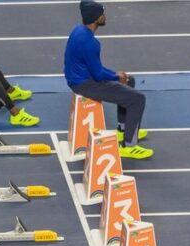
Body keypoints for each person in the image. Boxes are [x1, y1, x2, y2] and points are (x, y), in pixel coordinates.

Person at [65, 1, 152, 158]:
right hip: (84, 84)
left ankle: (124, 130)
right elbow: (98, 75)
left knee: (129, 81)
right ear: (97, 19)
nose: (105, 16)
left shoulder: (79, 30)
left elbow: (95, 68)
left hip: (81, 78)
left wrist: (117, 75)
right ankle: (129, 146)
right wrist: (115, 76)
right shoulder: (90, 43)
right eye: (102, 14)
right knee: (138, 99)